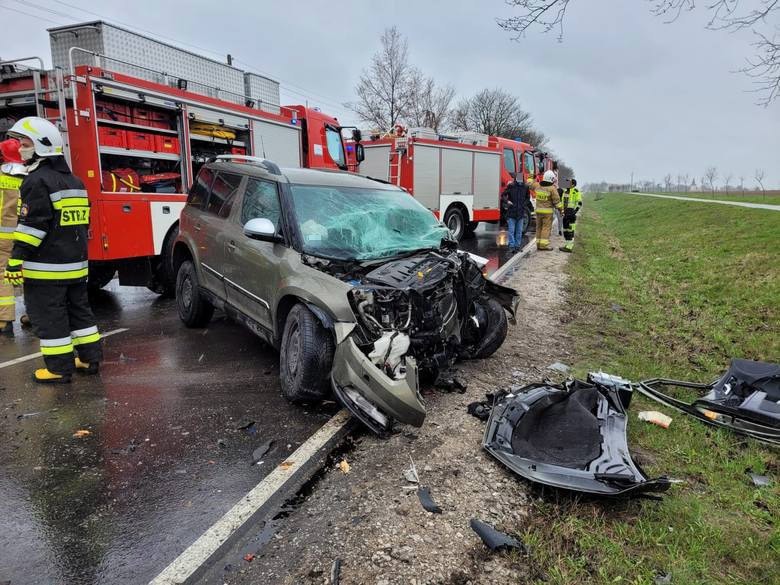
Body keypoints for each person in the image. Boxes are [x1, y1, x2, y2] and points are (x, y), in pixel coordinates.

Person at [3, 116, 102, 383]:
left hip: (46, 269)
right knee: (80, 312)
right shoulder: (76, 182)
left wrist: (15, 260)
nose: (21, 149)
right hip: (76, 265)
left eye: (25, 144)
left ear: (40, 146)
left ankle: (59, 369)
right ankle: (89, 359)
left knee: (50, 317)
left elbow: (32, 226)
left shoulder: (36, 181)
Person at [0, 138, 26, 336]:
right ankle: (34, 315)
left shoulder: (0, 177)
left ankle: (5, 320)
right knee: (29, 274)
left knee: (3, 275)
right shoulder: (31, 177)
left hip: (3, 236)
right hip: (27, 235)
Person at [526, 170, 563, 251]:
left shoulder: (537, 186)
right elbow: (557, 202)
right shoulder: (552, 189)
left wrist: (531, 174)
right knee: (546, 228)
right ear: (551, 179)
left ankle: (538, 244)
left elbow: (529, 184)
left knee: (539, 227)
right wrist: (561, 210)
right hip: (547, 213)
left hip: (538, 211)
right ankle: (543, 245)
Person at [501, 173, 530, 253]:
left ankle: (517, 246)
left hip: (520, 213)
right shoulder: (511, 186)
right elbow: (503, 195)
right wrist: (507, 201)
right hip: (512, 212)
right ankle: (512, 246)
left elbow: (528, 198)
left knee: (519, 231)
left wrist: (523, 205)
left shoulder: (525, 187)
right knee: (511, 231)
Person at [559, 178, 583, 252]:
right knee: (565, 231)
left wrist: (574, 212)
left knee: (570, 231)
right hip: (566, 214)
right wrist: (562, 211)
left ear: (572, 184)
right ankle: (567, 245)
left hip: (571, 214)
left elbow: (579, 203)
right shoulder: (565, 192)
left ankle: (569, 247)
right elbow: (562, 202)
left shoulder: (576, 192)